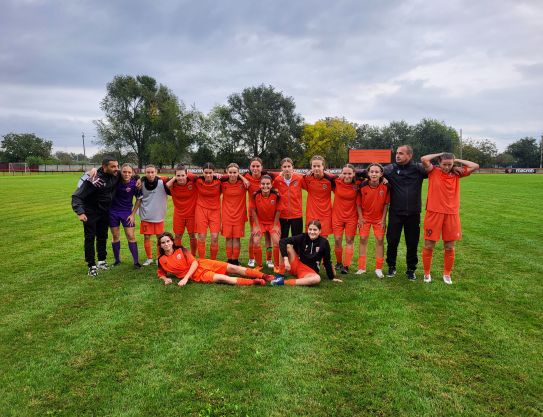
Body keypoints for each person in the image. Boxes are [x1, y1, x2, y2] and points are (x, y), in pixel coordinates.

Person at [420, 152, 479, 284]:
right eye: (444, 164)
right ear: (439, 163)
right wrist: (441, 154)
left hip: (452, 214)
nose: (446, 167)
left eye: (449, 164)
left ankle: (447, 274)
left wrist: (455, 159)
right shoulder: (433, 171)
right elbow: (424, 159)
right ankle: (426, 273)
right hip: (434, 212)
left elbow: (475, 166)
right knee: (429, 245)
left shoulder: (457, 173)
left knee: (449, 246)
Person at [156, 232, 274, 286]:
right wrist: (165, 279)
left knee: (233, 267)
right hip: (197, 275)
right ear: (160, 245)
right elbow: (161, 273)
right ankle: (254, 282)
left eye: (168, 241)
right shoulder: (161, 260)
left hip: (202, 264)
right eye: (163, 242)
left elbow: (194, 263)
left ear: (172, 242)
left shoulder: (181, 249)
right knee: (224, 278)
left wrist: (185, 279)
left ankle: (264, 276)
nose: (166, 244)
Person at [383, 145, 428, 281]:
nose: (397, 155)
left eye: (401, 153)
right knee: (392, 241)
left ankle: (411, 269)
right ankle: (391, 266)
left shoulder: (418, 169)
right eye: (397, 153)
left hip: (413, 213)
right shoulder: (390, 169)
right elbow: (370, 171)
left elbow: (438, 171)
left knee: (412, 242)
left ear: (409, 155)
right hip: (396, 213)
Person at [71, 157, 119, 277]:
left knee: (103, 237)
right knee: (90, 238)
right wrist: (80, 212)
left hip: (105, 212)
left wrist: (140, 178)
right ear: (104, 167)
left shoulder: (115, 175)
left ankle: (101, 261)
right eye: (113, 166)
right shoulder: (94, 178)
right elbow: (76, 196)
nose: (116, 169)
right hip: (90, 213)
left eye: (117, 166)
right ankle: (91, 265)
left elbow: (131, 175)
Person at [272, 220, 342, 286]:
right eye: (310, 229)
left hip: (309, 272)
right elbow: (282, 241)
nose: (312, 232)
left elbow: (327, 261)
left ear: (320, 231)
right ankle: (280, 275)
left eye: (315, 230)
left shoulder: (324, 242)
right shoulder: (303, 237)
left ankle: (283, 282)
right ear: (307, 229)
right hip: (297, 264)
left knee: (317, 278)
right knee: (287, 246)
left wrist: (331, 277)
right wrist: (286, 260)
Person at [356, 163, 390, 278]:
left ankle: (378, 268)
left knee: (380, 241)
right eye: (372, 172)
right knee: (363, 239)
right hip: (365, 218)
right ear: (368, 173)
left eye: (376, 172)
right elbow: (358, 204)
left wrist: (383, 219)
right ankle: (361, 267)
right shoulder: (362, 185)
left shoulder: (386, 186)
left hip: (378, 220)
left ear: (381, 174)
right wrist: (360, 218)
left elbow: (386, 204)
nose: (374, 174)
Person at [243, 157, 278, 268]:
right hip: (254, 211)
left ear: (261, 167)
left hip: (267, 212)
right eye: (253, 166)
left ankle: (269, 259)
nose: (255, 168)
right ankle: (251, 258)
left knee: (268, 236)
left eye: (257, 166)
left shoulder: (267, 177)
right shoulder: (246, 176)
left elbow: (282, 173)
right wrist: (241, 178)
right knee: (254, 235)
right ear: (250, 167)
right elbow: (229, 174)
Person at [109, 163, 142, 268]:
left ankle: (136, 262)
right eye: (124, 172)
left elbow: (138, 199)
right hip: (113, 212)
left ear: (132, 173)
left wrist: (133, 214)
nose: (126, 174)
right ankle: (117, 260)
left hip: (127, 213)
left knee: (131, 236)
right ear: (120, 171)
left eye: (129, 172)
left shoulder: (135, 184)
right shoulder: (115, 180)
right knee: (115, 236)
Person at [332, 164, 361, 274]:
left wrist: (384, 178)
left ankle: (346, 265)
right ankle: (339, 262)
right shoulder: (336, 181)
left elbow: (371, 176)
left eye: (349, 173)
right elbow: (324, 174)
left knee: (349, 240)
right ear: (341, 173)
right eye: (344, 173)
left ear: (354, 174)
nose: (347, 176)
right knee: (338, 240)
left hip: (352, 217)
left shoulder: (358, 184)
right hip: (337, 217)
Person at [139, 165, 170, 266]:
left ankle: (158, 257)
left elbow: (176, 180)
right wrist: (138, 178)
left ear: (156, 172)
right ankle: (149, 258)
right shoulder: (141, 183)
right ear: (145, 172)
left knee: (159, 238)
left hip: (158, 216)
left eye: (152, 172)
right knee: (146, 237)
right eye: (148, 172)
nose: (150, 174)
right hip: (146, 215)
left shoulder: (163, 182)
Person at [220, 163, 250, 265]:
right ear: (227, 173)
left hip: (239, 216)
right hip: (226, 215)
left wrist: (242, 177)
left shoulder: (243, 184)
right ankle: (229, 260)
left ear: (238, 173)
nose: (232, 175)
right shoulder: (223, 184)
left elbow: (249, 183)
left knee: (236, 238)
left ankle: (235, 260)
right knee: (228, 238)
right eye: (230, 172)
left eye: (235, 172)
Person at [250, 175, 281, 269]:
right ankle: (259, 265)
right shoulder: (255, 195)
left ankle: (275, 264)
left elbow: (278, 211)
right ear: (259, 185)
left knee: (276, 241)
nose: (265, 186)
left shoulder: (276, 196)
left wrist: (275, 226)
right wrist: (257, 226)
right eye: (263, 184)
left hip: (272, 222)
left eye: (268, 184)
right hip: (260, 222)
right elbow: (253, 211)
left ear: (271, 185)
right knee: (256, 241)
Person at [165, 165, 198, 255]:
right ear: (175, 176)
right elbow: (165, 184)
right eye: (178, 176)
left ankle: (193, 255)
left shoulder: (193, 182)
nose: (180, 178)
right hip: (179, 215)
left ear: (186, 175)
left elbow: (197, 176)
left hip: (192, 215)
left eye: (183, 175)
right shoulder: (172, 184)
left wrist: (188, 174)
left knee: (192, 236)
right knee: (178, 236)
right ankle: (177, 255)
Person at [273, 157, 306, 239]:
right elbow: (271, 190)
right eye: (284, 167)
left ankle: (296, 252)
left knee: (297, 240)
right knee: (283, 240)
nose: (287, 169)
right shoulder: (277, 180)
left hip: (297, 215)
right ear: (281, 168)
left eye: (289, 166)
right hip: (283, 216)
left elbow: (309, 187)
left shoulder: (299, 178)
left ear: (292, 167)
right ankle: (284, 252)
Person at [194, 163, 222, 259]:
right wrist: (200, 175)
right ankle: (202, 260)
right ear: (203, 172)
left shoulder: (219, 181)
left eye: (210, 173)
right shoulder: (198, 181)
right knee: (201, 237)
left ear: (214, 172)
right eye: (206, 172)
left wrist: (220, 175)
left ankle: (213, 261)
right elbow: (188, 174)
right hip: (201, 210)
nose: (208, 175)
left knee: (214, 237)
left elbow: (232, 175)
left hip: (215, 211)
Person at [303, 155, 334, 238]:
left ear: (323, 166)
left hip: (325, 214)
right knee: (310, 239)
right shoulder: (307, 178)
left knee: (323, 240)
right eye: (314, 166)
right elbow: (291, 175)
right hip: (311, 214)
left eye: (319, 166)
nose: (316, 168)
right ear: (311, 167)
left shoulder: (330, 179)